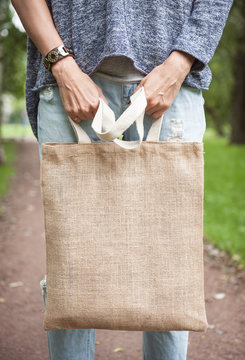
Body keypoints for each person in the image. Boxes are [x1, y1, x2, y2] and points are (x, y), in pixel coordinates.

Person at [12, 0, 233, 359]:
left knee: (170, 264)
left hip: (172, 89)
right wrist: (62, 65)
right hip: (70, 87)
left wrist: (181, 63)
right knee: (73, 266)